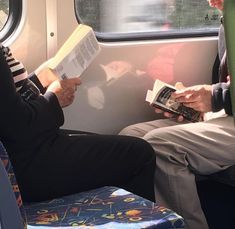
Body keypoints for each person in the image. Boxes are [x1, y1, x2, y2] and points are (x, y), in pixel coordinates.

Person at [119, 0, 231, 229]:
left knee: (161, 145)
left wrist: (216, 97)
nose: (211, 2)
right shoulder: (227, 24)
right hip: (226, 113)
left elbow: (222, 92)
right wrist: (198, 105)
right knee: (132, 139)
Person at [0, 42, 157, 204]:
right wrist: (53, 99)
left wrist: (39, 79)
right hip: (17, 166)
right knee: (139, 154)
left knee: (116, 148)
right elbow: (15, 127)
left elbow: (8, 102)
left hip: (23, 150)